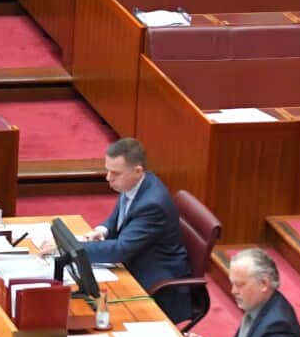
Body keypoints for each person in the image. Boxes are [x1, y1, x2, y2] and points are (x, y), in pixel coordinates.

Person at [44, 138, 192, 322]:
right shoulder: (135, 183)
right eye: (108, 170)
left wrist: (69, 248)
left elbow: (120, 251)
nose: (108, 177)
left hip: (154, 282)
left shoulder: (152, 204)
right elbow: (120, 216)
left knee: (90, 311)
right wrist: (104, 229)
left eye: (115, 173)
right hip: (132, 261)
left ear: (137, 171)